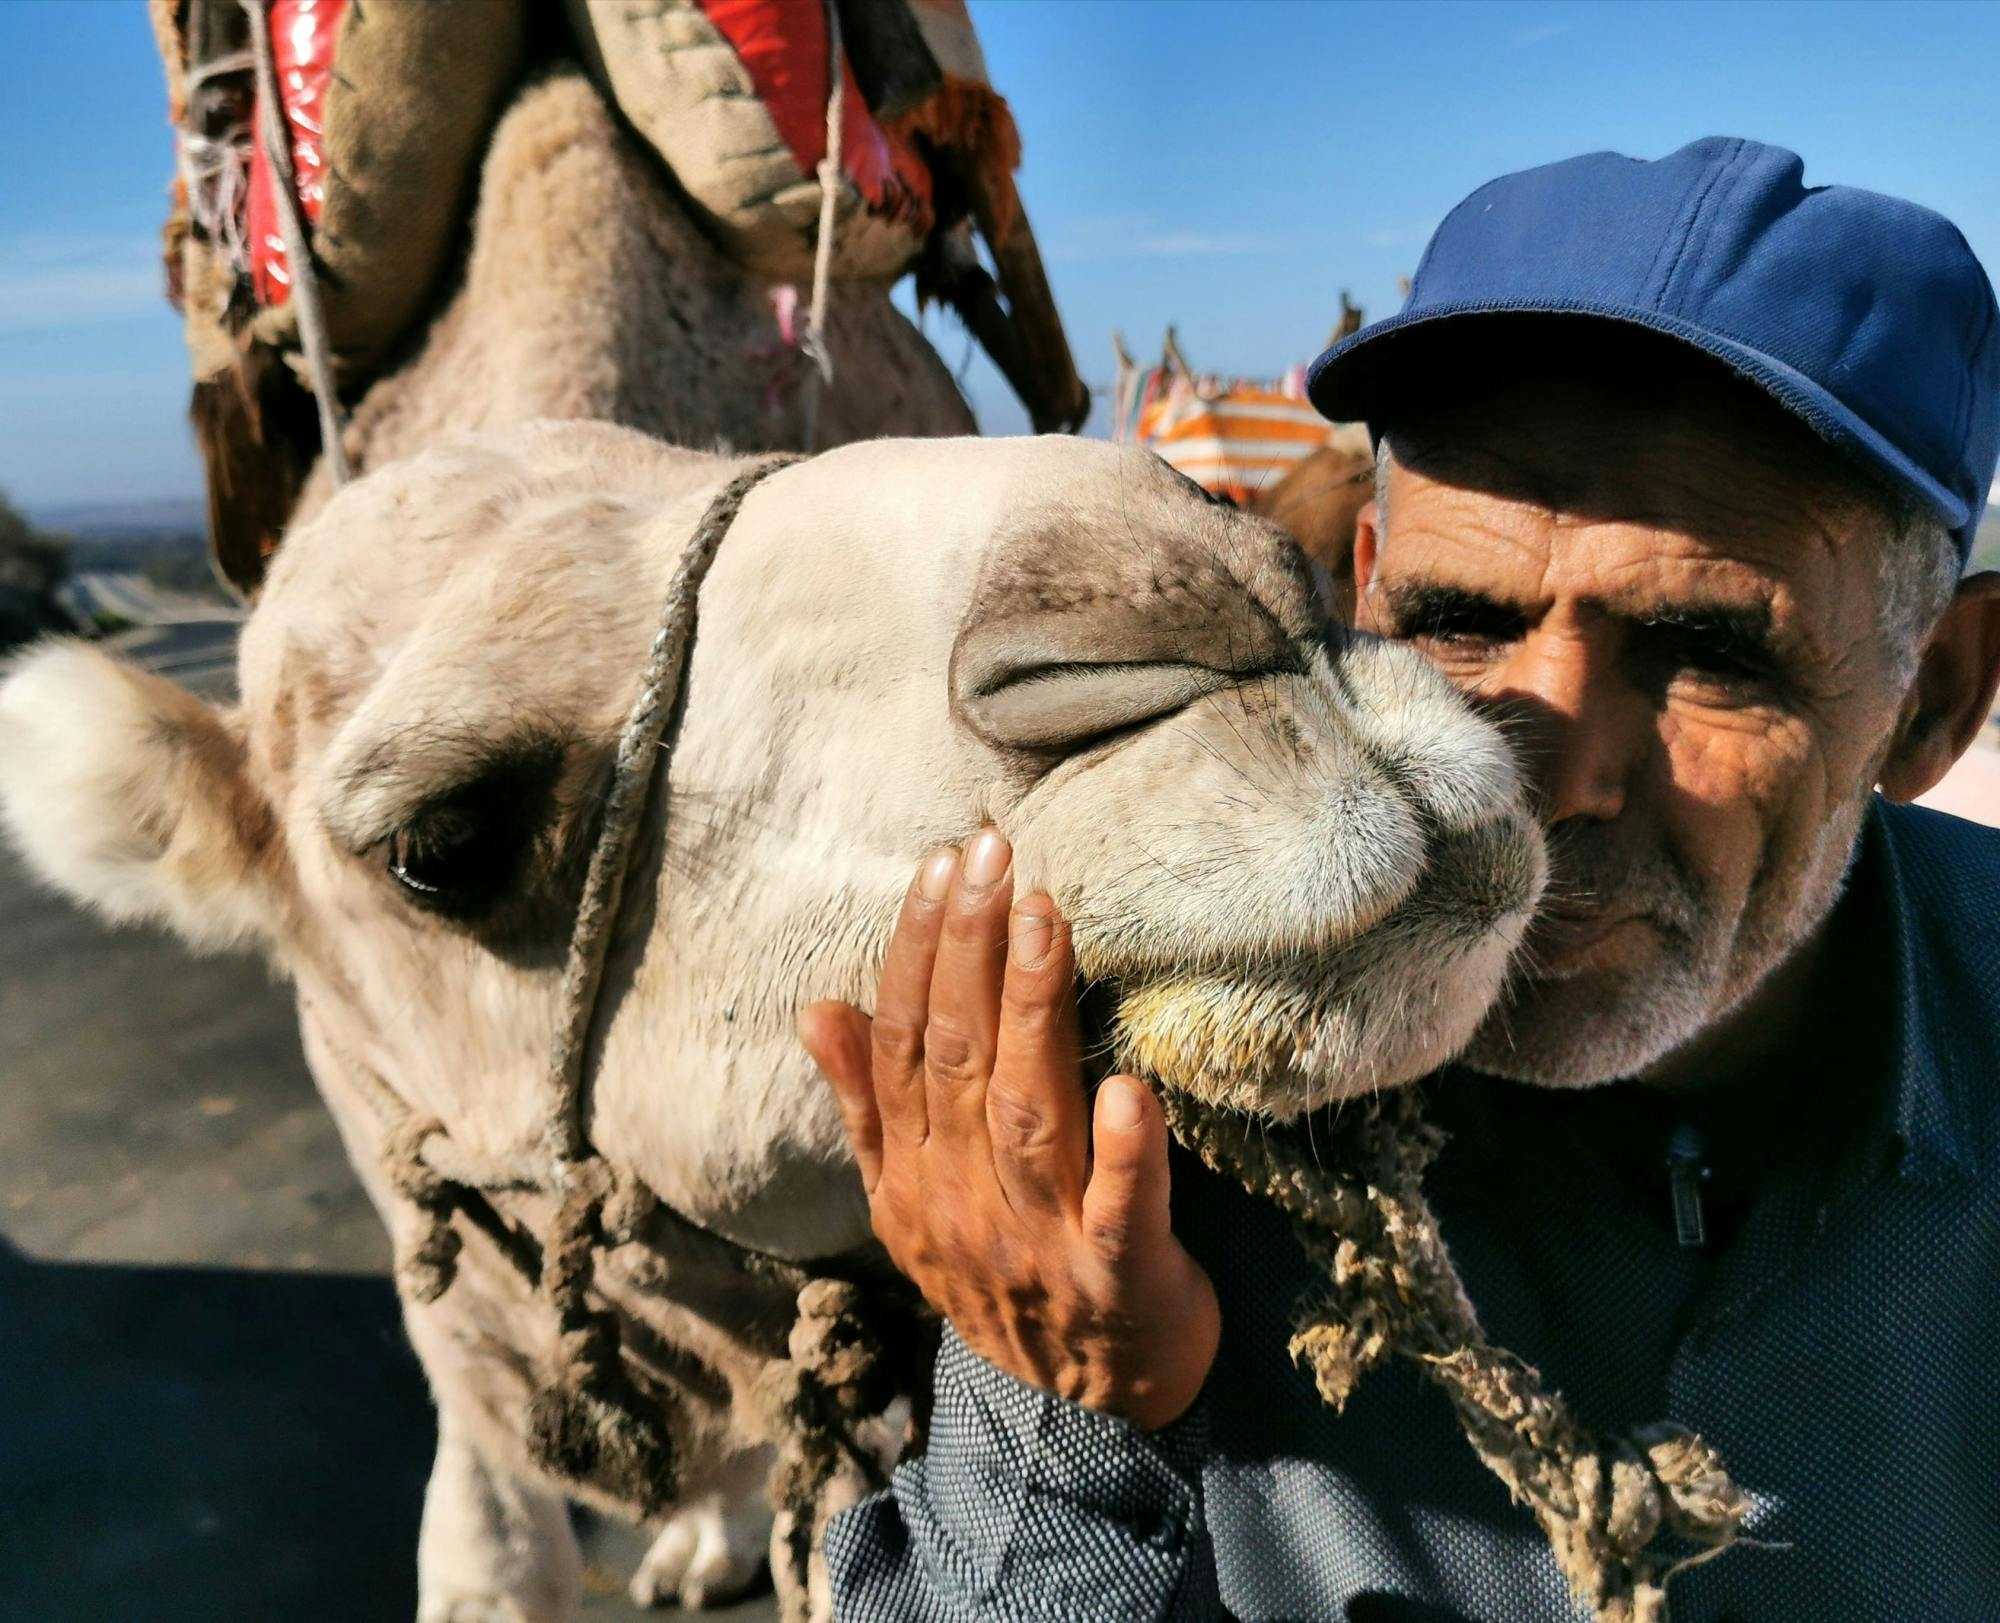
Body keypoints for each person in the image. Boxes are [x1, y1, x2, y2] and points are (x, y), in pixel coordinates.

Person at [799, 138, 2000, 1622]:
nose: (1551, 779)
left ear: (1936, 699)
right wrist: (1077, 1408)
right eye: (1460, 622)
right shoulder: (1169, 1104)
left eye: (1708, 655)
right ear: (1365, 580)